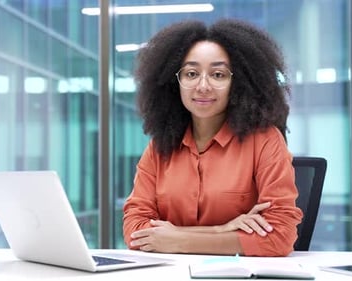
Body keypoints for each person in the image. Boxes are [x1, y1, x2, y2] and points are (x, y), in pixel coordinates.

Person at [122, 18, 303, 257]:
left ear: (238, 83)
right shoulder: (160, 146)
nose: (203, 86)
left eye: (218, 74)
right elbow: (135, 230)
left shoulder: (265, 141)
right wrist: (219, 231)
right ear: (174, 82)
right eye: (191, 73)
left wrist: (178, 240)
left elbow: (279, 237)